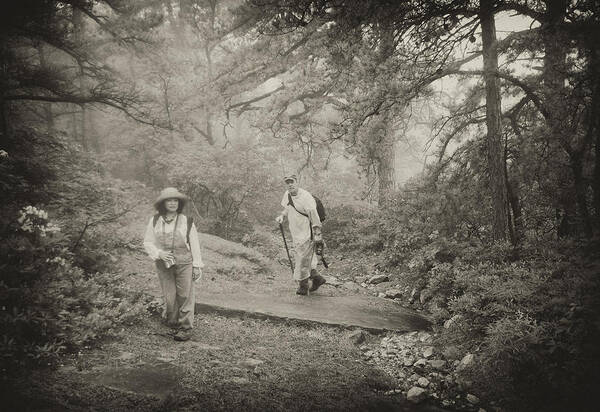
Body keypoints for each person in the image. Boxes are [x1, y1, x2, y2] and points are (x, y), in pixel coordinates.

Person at [143, 187, 204, 341]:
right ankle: (173, 321)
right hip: (163, 263)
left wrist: (197, 266)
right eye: (169, 200)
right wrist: (159, 253)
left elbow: (195, 244)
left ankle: (185, 328)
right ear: (163, 203)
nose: (172, 203)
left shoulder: (186, 221)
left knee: (185, 295)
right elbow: (148, 242)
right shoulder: (155, 220)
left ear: (179, 203)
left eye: (175, 200)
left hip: (184, 262)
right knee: (169, 296)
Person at [276, 174, 326, 295]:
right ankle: (318, 279)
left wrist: (317, 234)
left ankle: (303, 287)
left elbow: (314, 217)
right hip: (295, 231)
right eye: (287, 182)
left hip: (307, 231)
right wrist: (282, 215)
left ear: (297, 182)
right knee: (302, 257)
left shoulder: (306, 197)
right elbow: (287, 208)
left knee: (303, 258)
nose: (290, 184)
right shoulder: (287, 194)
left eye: (292, 182)